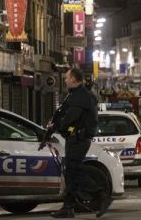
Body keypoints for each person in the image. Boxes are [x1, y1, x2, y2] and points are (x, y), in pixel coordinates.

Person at [49, 68, 110, 219]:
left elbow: (71, 118)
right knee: (70, 171)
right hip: (75, 138)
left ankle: (101, 195)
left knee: (73, 170)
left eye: (67, 78)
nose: (65, 80)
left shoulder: (81, 96)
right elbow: (65, 114)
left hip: (79, 139)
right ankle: (68, 207)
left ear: (75, 80)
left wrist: (58, 127)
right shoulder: (76, 95)